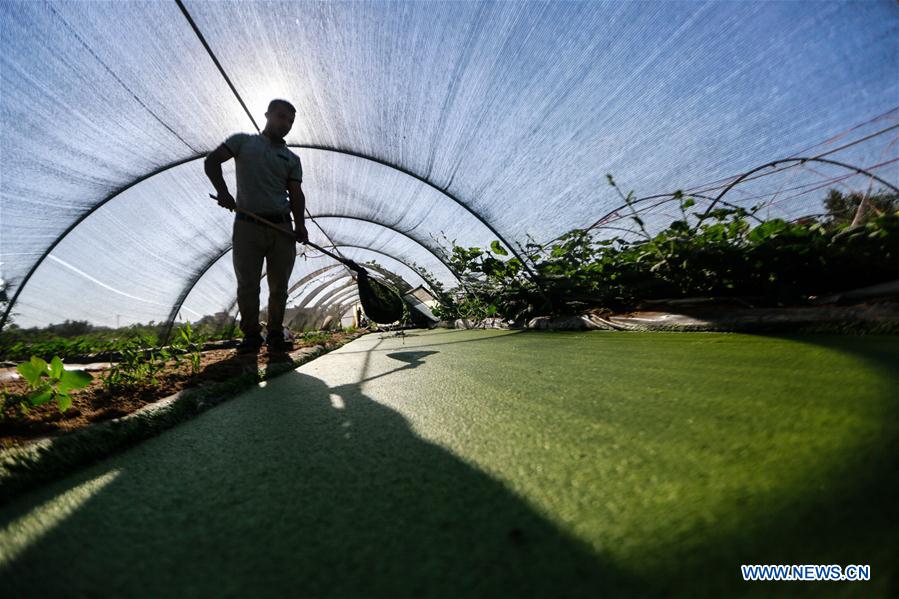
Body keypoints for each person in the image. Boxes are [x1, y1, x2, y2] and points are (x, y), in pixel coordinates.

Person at [204, 99, 309, 352]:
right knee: (248, 283)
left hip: (282, 228)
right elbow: (212, 161)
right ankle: (251, 334)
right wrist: (223, 193)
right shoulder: (242, 142)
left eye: (291, 121)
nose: (286, 124)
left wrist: (300, 226)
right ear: (267, 115)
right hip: (247, 225)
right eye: (281, 117)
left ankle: (274, 333)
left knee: (279, 287)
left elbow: (296, 194)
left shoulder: (291, 158)